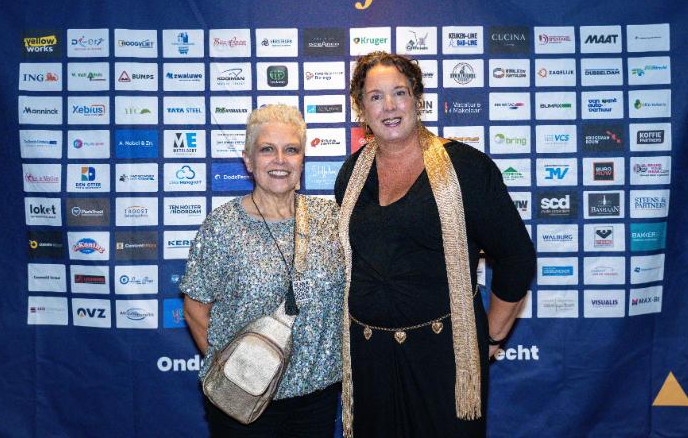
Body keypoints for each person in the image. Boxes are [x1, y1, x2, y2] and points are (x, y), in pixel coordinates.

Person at [334, 52, 536, 438]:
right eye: (375, 96)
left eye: (399, 93)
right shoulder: (351, 174)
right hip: (369, 360)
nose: (389, 106)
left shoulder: (466, 168)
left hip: (444, 359)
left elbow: (517, 257)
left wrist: (491, 337)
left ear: (417, 99)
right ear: (361, 108)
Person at [181, 104, 344, 438]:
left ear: (302, 160)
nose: (280, 160)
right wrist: (236, 371)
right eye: (267, 149)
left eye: (291, 150)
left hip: (317, 400)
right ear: (248, 160)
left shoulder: (331, 220)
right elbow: (195, 309)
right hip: (241, 401)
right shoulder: (222, 227)